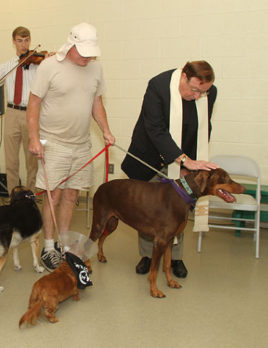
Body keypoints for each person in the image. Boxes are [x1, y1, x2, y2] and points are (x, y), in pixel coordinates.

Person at [27, 23, 115, 272]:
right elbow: (33, 105)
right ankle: (48, 247)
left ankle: (65, 246)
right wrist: (34, 138)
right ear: (71, 45)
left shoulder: (96, 67)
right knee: (53, 195)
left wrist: (106, 130)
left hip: (81, 144)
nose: (88, 58)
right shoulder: (50, 66)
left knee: (72, 195)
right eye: (83, 52)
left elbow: (96, 103)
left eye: (91, 52)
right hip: (53, 142)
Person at [121, 61, 219, 278]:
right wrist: (184, 160)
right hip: (151, 154)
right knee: (150, 209)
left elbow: (203, 128)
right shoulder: (158, 86)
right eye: (194, 90)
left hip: (184, 157)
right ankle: (148, 255)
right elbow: (155, 129)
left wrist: (189, 166)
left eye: (202, 93)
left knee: (177, 209)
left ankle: (175, 257)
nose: (197, 96)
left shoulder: (208, 93)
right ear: (184, 76)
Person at [0, 26, 38, 194]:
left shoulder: (38, 65)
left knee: (32, 159)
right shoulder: (8, 66)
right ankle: (14, 197)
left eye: (26, 40)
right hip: (11, 113)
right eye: (20, 41)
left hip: (31, 113)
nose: (24, 45)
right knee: (11, 160)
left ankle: (31, 196)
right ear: (13, 42)